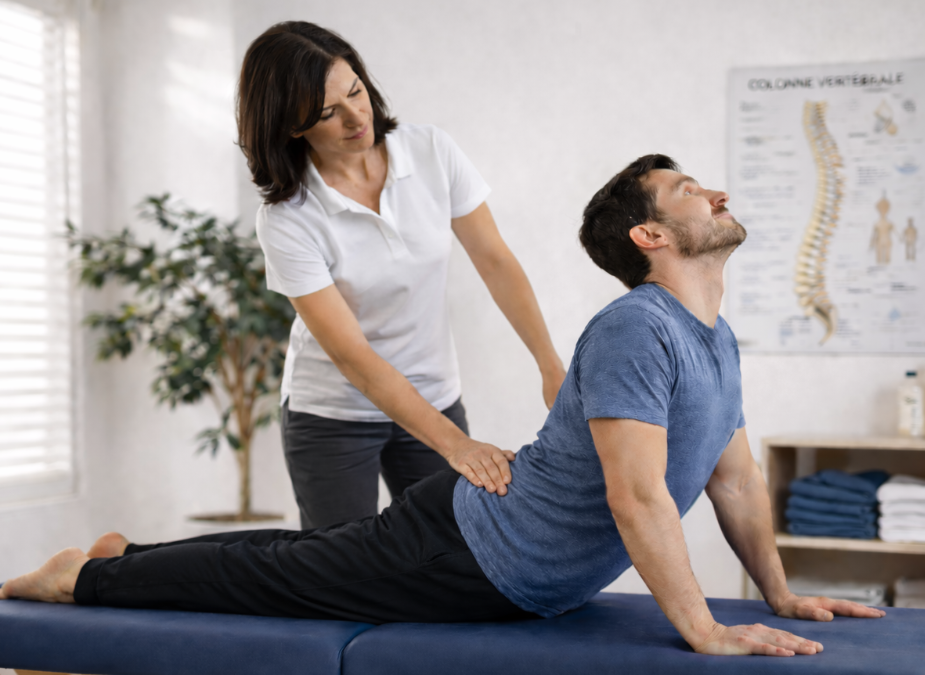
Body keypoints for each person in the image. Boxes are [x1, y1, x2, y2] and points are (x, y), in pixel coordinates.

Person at [1, 155, 885, 657]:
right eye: (691, 188)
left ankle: (124, 553)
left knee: (302, 556)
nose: (717, 191)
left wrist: (776, 594)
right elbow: (638, 494)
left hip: (493, 549)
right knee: (280, 581)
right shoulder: (634, 329)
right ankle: (87, 577)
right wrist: (703, 629)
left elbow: (731, 479)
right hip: (469, 551)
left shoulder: (713, 337)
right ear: (649, 237)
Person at [237, 21, 566, 529]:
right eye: (328, 113)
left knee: (450, 560)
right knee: (339, 576)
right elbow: (354, 356)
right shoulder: (288, 218)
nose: (356, 118)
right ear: (291, 125)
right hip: (334, 414)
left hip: (434, 394)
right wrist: (458, 446)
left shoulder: (431, 151)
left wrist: (549, 367)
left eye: (356, 92)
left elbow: (496, 262)